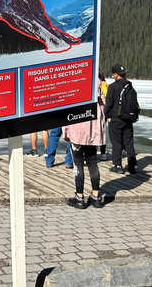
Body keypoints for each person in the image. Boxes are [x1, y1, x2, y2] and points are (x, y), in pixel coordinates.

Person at [63, 79, 107, 209]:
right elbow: (103, 107)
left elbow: (67, 108)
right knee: (92, 163)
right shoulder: (98, 87)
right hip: (92, 133)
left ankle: (80, 197)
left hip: (77, 131)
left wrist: (66, 131)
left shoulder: (74, 84)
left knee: (78, 164)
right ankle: (96, 196)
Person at [103, 63, 138, 174]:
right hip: (128, 118)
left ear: (116, 75)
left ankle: (117, 165)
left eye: (113, 74)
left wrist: (107, 115)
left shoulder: (113, 87)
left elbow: (108, 104)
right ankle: (132, 166)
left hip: (116, 119)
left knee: (116, 142)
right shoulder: (130, 86)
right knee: (128, 142)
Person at [98, 72, 108, 159]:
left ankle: (101, 153)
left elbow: (105, 96)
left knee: (95, 131)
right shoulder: (104, 83)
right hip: (103, 110)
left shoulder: (102, 84)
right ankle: (103, 153)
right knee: (102, 131)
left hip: (99, 110)